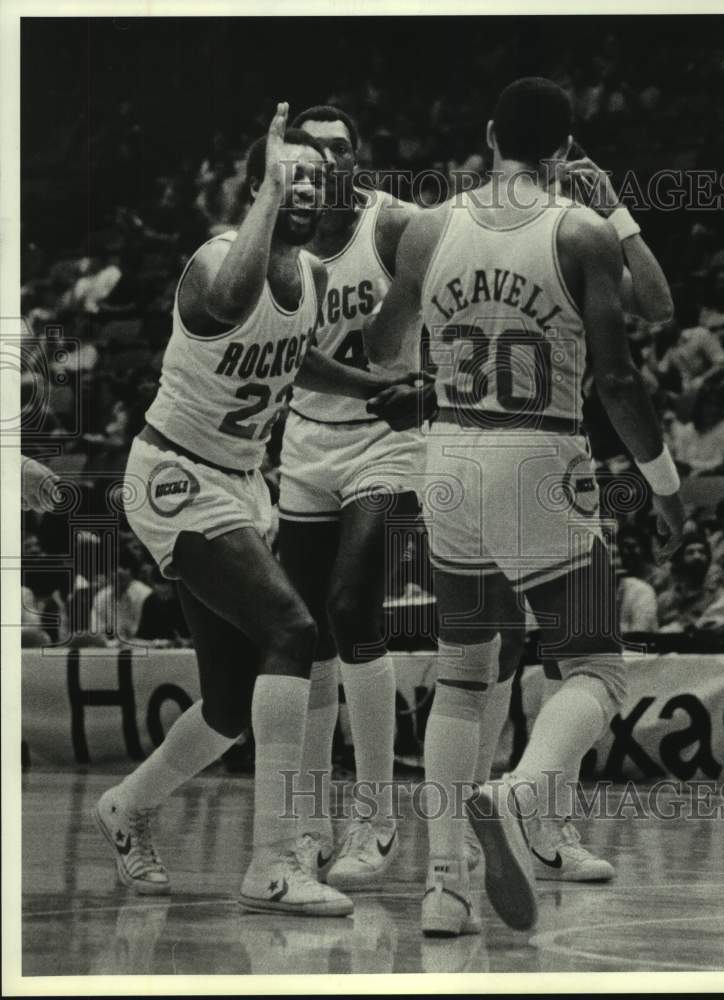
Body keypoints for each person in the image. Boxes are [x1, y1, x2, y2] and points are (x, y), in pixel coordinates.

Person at [365, 77, 684, 936]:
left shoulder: (431, 226)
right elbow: (618, 376)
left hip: (448, 455)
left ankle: (443, 889)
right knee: (597, 665)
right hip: (539, 453)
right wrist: (662, 481)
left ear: (490, 132)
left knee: (465, 676)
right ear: (564, 149)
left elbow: (383, 346)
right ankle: (515, 798)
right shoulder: (577, 229)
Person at [92, 104, 413, 917]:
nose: (305, 190)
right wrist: (269, 195)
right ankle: (273, 861)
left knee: (231, 705)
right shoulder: (213, 265)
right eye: (287, 179)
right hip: (174, 477)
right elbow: (233, 304)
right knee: (295, 629)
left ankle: (126, 807)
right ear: (259, 188)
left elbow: (299, 358)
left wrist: (377, 389)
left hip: (239, 485)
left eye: (312, 180)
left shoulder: (305, 278)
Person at [275, 105, 423, 889]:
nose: (330, 160)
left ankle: (377, 817)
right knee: (301, 634)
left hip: (388, 441)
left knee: (351, 604)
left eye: (343, 147)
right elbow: (289, 358)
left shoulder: (395, 226)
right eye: (315, 149)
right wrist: (374, 381)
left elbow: (461, 287)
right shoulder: (278, 242)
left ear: (358, 158)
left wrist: (430, 383)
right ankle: (307, 824)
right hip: (305, 442)